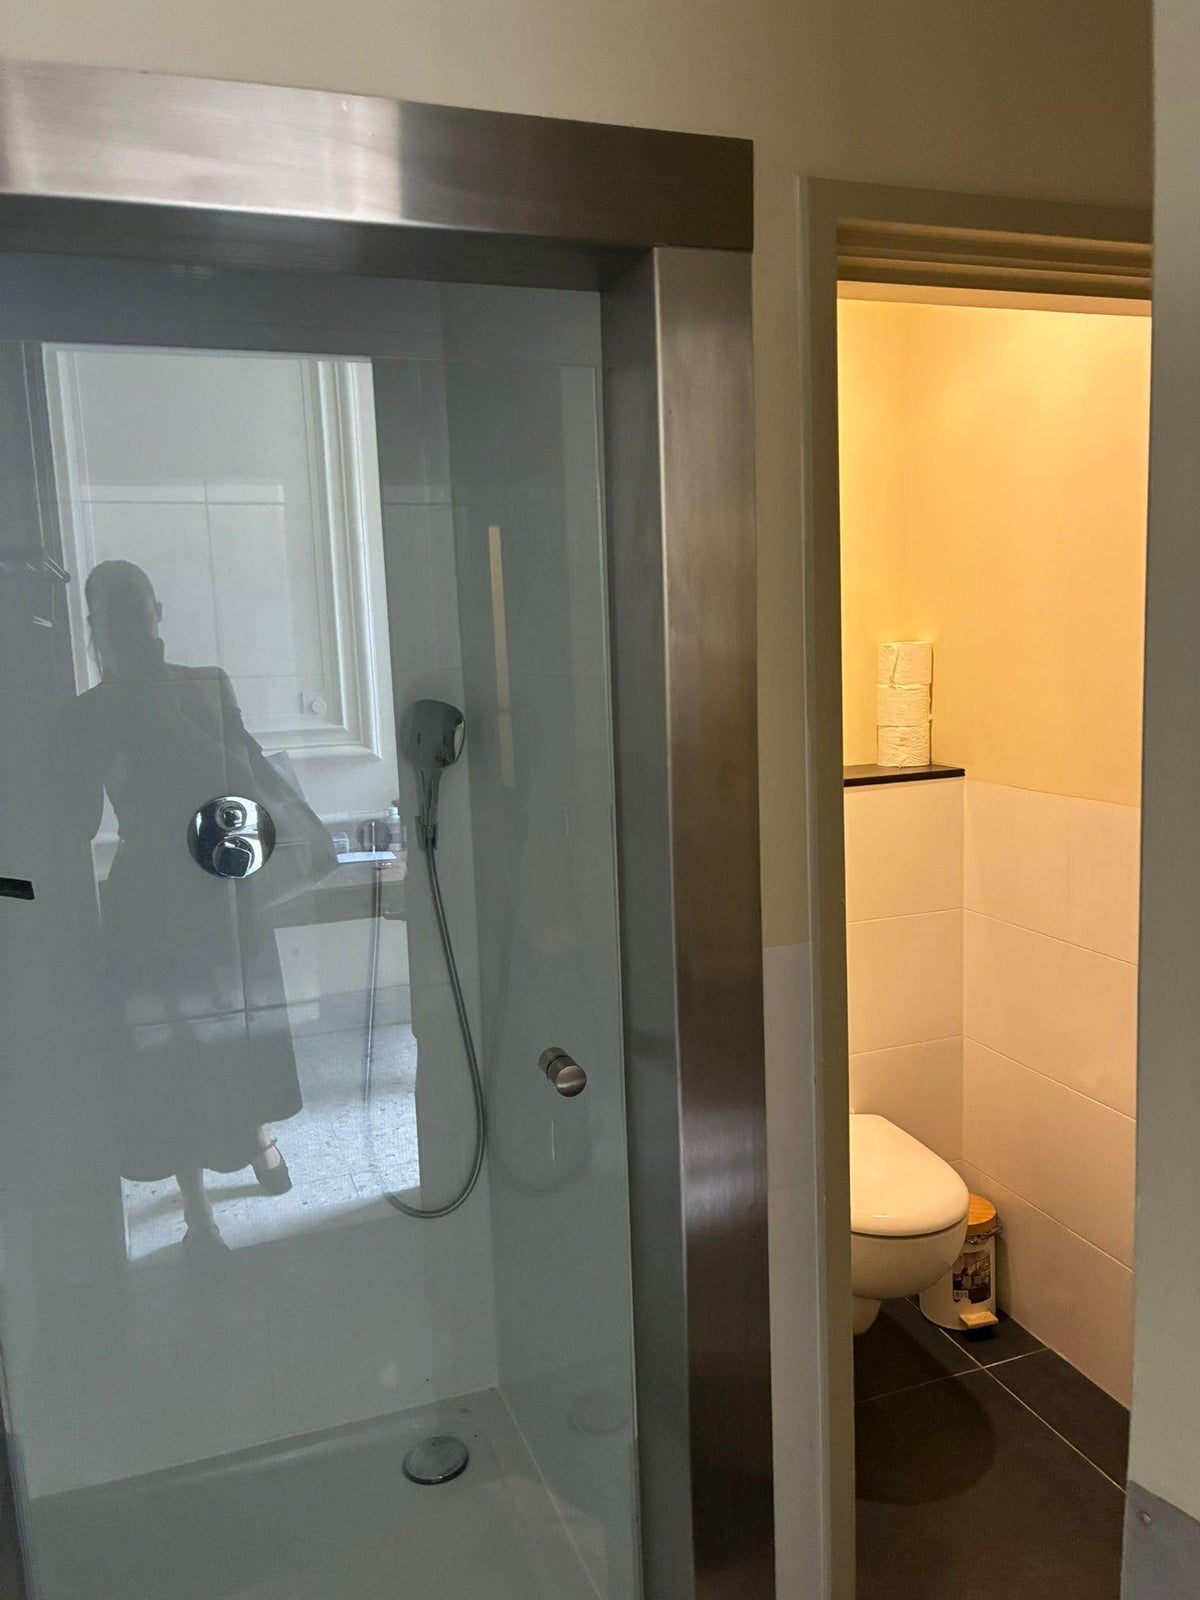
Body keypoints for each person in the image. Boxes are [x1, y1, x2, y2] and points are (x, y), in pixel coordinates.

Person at [62, 560, 329, 1254]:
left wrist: (165, 722)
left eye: (130, 611)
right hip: (182, 889)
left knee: (216, 1030)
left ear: (148, 615)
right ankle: (215, 1193)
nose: (129, 625)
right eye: (119, 614)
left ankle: (236, 1163)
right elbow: (81, 818)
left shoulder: (185, 689)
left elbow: (243, 777)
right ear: (109, 622)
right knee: (189, 1038)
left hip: (191, 884)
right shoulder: (111, 706)